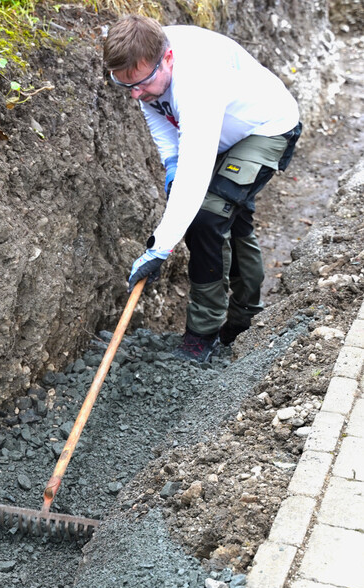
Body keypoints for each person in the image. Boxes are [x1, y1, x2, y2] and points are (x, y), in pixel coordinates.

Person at [103, 15, 301, 362]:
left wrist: (158, 249)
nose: (135, 93)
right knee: (231, 221)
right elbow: (161, 121)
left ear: (168, 59)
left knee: (208, 218)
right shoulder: (142, 62)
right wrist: (172, 167)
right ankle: (246, 315)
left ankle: (205, 332)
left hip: (267, 128)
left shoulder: (198, 81)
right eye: (125, 85)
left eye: (140, 83)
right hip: (221, 133)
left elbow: (196, 171)